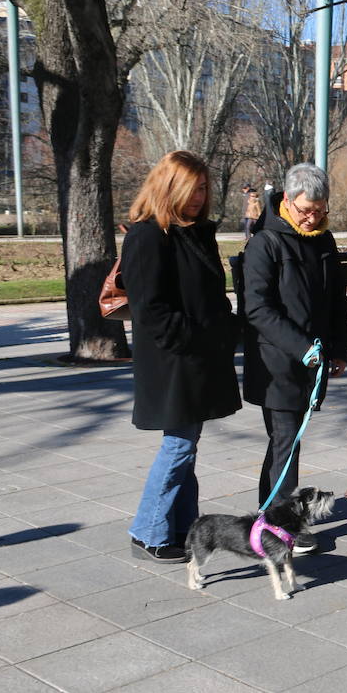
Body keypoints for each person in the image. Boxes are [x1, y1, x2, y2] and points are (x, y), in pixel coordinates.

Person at [122, 151, 241, 562]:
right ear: (169, 187)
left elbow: (210, 297)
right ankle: (147, 531)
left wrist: (226, 330)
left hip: (200, 357)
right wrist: (199, 338)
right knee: (178, 448)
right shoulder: (147, 235)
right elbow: (150, 309)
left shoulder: (197, 232)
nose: (198, 196)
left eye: (204, 188)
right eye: (191, 189)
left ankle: (184, 527)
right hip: (173, 362)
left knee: (186, 448)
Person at [242, 163, 347, 553]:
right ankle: (279, 526)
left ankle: (268, 514)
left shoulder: (323, 239)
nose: (313, 217)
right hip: (277, 362)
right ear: (287, 200)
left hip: (315, 359)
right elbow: (257, 309)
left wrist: (340, 348)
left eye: (320, 209)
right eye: (306, 209)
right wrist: (301, 347)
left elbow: (336, 300)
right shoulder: (265, 242)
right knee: (286, 440)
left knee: (285, 442)